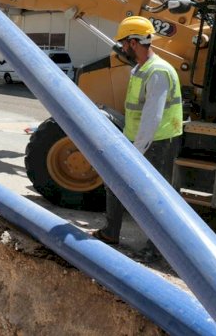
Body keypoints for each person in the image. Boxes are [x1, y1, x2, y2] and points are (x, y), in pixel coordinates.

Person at [91, 16, 183, 262]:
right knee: (115, 182)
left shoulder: (158, 72)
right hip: (136, 140)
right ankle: (111, 232)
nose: (121, 47)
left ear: (133, 42)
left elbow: (152, 117)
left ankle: (156, 250)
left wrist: (136, 151)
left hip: (158, 142)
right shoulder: (139, 69)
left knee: (155, 197)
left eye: (124, 43)